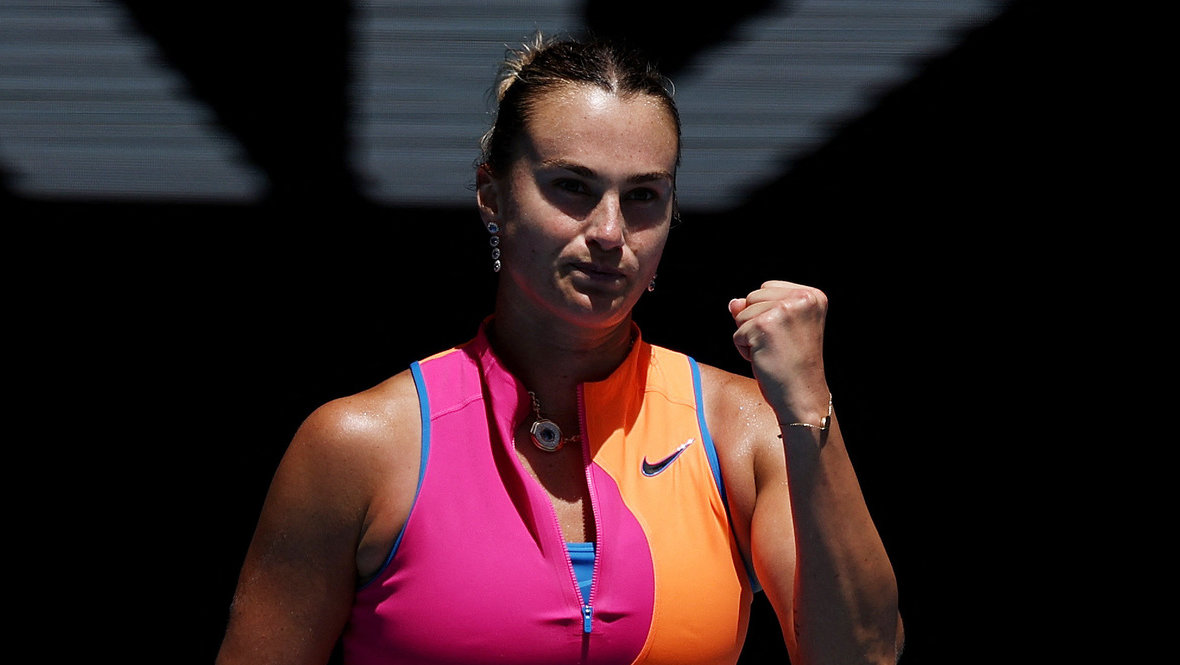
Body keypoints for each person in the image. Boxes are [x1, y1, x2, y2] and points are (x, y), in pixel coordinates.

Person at [216, 34, 903, 665]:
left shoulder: (747, 430)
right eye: (572, 187)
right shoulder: (357, 446)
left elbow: (863, 656)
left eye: (644, 196)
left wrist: (807, 403)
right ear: (492, 194)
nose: (609, 231)